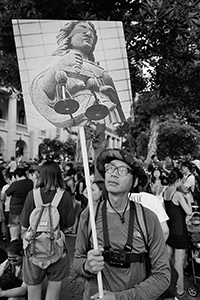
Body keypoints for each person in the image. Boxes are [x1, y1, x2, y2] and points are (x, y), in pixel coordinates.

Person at [73, 148, 170, 300]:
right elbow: (77, 260)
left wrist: (119, 298)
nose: (113, 173)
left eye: (122, 170)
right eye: (110, 168)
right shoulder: (89, 215)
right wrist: (86, 266)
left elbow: (163, 276)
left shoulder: (148, 218)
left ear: (135, 181)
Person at [30, 20, 126, 128]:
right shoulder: (57, 60)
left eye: (92, 33)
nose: (89, 34)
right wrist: (60, 64)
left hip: (107, 112)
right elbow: (40, 89)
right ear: (69, 37)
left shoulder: (100, 69)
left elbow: (118, 107)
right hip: (78, 109)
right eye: (82, 29)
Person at [20, 160, 75, 300]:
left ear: (41, 175)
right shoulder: (65, 196)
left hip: (34, 249)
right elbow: (70, 225)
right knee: (53, 295)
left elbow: (24, 225)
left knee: (33, 294)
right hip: (57, 249)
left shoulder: (32, 195)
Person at [163, 168, 192, 299]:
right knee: (179, 263)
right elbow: (189, 212)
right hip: (180, 231)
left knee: (167, 261)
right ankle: (180, 291)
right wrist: (188, 199)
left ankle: (166, 286)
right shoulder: (178, 194)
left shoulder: (165, 192)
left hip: (170, 231)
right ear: (178, 180)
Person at [5, 168, 33, 241]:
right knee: (25, 234)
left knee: (14, 235)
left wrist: (13, 182)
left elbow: (7, 193)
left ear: (16, 176)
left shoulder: (15, 184)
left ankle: (14, 250)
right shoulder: (30, 182)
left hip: (15, 211)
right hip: (27, 210)